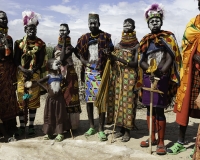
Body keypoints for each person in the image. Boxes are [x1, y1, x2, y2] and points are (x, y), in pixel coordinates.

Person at [138, 4, 182, 155]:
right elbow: (141, 60)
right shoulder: (145, 41)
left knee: (159, 109)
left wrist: (160, 71)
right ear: (148, 24)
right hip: (147, 77)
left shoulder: (168, 38)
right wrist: (149, 70)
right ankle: (152, 138)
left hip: (162, 77)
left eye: (157, 20)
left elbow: (172, 57)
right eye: (152, 21)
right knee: (149, 109)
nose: (154, 23)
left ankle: (161, 141)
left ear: (161, 22)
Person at [167, 0, 200, 157]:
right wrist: (195, 57)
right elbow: (185, 45)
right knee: (185, 106)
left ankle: (198, 149)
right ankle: (180, 143)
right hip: (191, 71)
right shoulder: (192, 23)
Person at [75, 13, 114, 141]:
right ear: (88, 25)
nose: (92, 25)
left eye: (95, 23)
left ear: (99, 23)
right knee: (89, 101)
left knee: (101, 101)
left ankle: (101, 128)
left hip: (101, 72)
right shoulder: (84, 38)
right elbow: (76, 51)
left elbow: (112, 52)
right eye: (90, 23)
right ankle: (92, 126)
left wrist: (108, 54)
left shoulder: (105, 37)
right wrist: (84, 61)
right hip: (88, 72)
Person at [14, 11, 47, 137]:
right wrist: (23, 70)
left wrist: (32, 71)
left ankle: (31, 126)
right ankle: (22, 126)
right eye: (29, 28)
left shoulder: (41, 44)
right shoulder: (18, 43)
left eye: (33, 28)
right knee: (22, 101)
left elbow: (41, 61)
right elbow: (16, 60)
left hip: (34, 76)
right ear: (25, 29)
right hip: (22, 76)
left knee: (32, 102)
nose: (31, 31)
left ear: (36, 29)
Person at [106, 18, 139, 142]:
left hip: (130, 77)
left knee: (128, 103)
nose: (126, 26)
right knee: (118, 102)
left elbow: (135, 63)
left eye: (129, 24)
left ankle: (128, 131)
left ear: (133, 27)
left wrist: (120, 60)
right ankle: (120, 129)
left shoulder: (136, 45)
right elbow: (113, 58)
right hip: (119, 77)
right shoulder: (119, 44)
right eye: (124, 24)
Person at [52, 23, 81, 130]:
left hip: (70, 75)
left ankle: (71, 126)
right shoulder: (56, 47)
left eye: (64, 30)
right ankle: (60, 126)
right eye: (60, 30)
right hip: (59, 75)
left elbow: (77, 57)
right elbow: (56, 60)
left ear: (68, 32)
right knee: (60, 98)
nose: (62, 32)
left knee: (70, 98)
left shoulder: (71, 47)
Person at [37, 58, 71, 142]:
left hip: (59, 99)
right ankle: (49, 133)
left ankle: (60, 133)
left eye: (58, 64)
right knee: (50, 114)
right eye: (56, 64)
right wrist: (46, 89)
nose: (58, 65)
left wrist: (62, 88)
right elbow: (39, 82)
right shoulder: (49, 76)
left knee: (59, 115)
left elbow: (66, 83)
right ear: (50, 67)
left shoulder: (60, 76)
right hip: (50, 100)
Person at [0, 10, 19, 142]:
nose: (4, 20)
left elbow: (11, 58)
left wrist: (13, 75)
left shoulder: (9, 38)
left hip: (7, 73)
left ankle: (10, 129)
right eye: (2, 19)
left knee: (8, 100)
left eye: (5, 18)